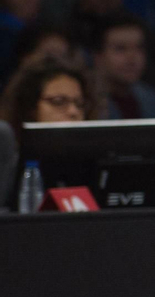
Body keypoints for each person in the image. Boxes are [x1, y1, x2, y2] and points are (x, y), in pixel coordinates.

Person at [0, 59, 93, 209]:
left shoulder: (89, 163)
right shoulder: (6, 158)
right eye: (59, 102)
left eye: (79, 104)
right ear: (30, 107)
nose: (73, 112)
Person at [92, 10, 155, 120]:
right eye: (120, 48)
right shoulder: (86, 102)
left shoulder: (151, 99)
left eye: (139, 48)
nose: (132, 57)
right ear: (98, 57)